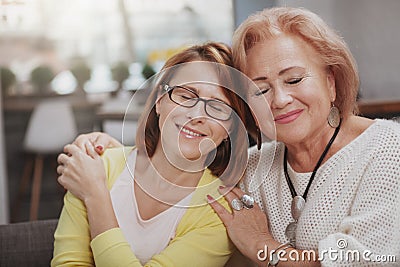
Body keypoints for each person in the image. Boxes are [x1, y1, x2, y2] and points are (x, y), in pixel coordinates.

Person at [69, 7, 400, 266]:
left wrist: (262, 246)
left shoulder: (387, 150)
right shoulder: (251, 166)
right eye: (260, 88)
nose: (280, 99)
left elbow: (367, 262)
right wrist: (110, 155)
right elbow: (184, 162)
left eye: (295, 80)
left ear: (331, 81)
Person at [52, 42, 250, 267]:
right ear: (159, 100)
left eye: (218, 107)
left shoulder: (220, 212)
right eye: (186, 95)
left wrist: (96, 195)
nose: (197, 115)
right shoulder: (97, 165)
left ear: (230, 129)